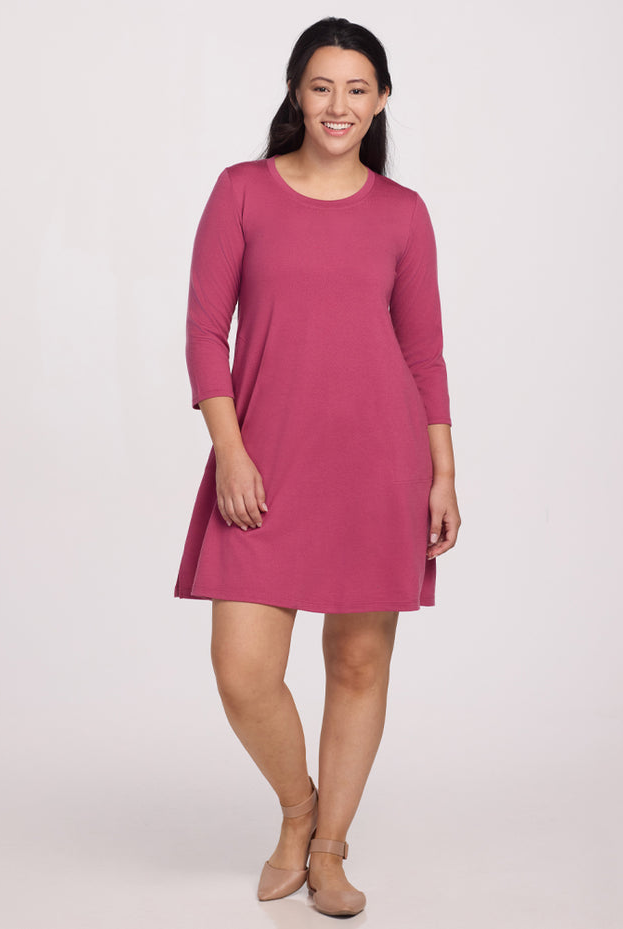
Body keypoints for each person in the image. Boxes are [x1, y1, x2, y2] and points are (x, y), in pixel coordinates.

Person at [174, 16, 461, 918]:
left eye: (357, 89)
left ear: (381, 100)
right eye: (322, 86)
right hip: (262, 464)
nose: (339, 105)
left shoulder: (403, 213)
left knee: (359, 662)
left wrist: (443, 474)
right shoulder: (243, 192)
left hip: (379, 464)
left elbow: (424, 354)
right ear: (297, 93)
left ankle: (329, 848)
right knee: (242, 667)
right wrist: (229, 449)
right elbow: (203, 332)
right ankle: (298, 808)